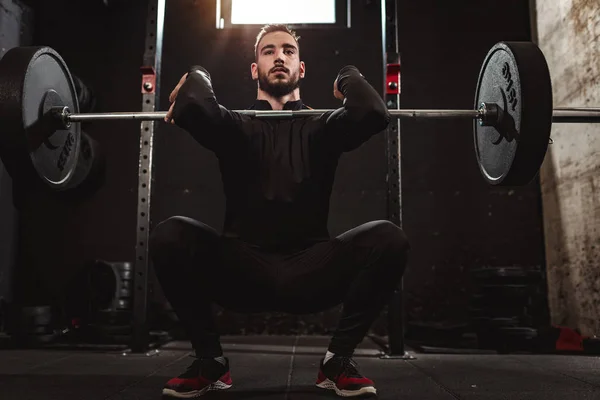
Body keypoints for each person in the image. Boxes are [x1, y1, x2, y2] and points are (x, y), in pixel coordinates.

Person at [150, 24, 410, 398]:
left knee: (389, 238)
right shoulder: (234, 125)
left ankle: (337, 361)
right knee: (170, 234)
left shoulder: (323, 127)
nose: (279, 57)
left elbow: (372, 111)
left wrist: (347, 75)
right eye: (268, 51)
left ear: (300, 69)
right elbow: (192, 103)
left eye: (288, 51)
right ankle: (211, 362)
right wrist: (198, 74)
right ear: (255, 69)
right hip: (242, 270)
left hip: (311, 268)